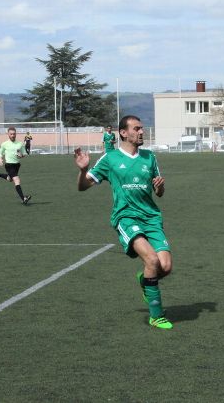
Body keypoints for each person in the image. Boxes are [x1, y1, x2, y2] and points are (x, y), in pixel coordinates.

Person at [74, 115, 173, 330]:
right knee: (152, 260)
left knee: (165, 267)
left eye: (142, 128)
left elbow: (159, 192)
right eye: (136, 128)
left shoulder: (150, 157)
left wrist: (160, 187)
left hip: (151, 217)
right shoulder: (110, 159)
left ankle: (144, 280)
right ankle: (156, 315)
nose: (141, 132)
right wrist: (83, 170)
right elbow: (83, 187)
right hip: (126, 217)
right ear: (123, 133)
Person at [0, 127, 31, 205]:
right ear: (8, 134)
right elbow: (0, 153)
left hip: (17, 165)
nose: (13, 135)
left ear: (16, 134)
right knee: (17, 180)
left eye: (14, 134)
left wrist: (21, 155)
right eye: (11, 134)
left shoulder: (20, 144)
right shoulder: (5, 144)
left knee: (10, 179)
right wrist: (0, 159)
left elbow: (24, 153)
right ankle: (23, 198)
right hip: (9, 165)